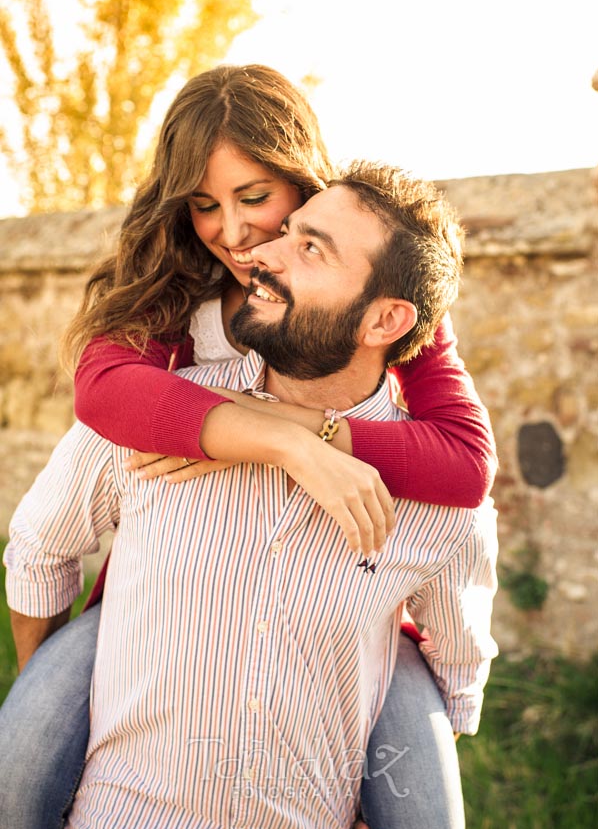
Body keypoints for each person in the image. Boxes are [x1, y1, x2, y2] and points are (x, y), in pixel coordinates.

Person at [0, 65, 496, 828]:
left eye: (256, 199)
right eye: (204, 205)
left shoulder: (382, 293)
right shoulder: (171, 304)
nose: (235, 235)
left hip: (351, 631)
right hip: (145, 620)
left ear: (306, 185)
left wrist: (314, 432)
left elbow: (463, 466)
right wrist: (261, 432)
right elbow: (102, 396)